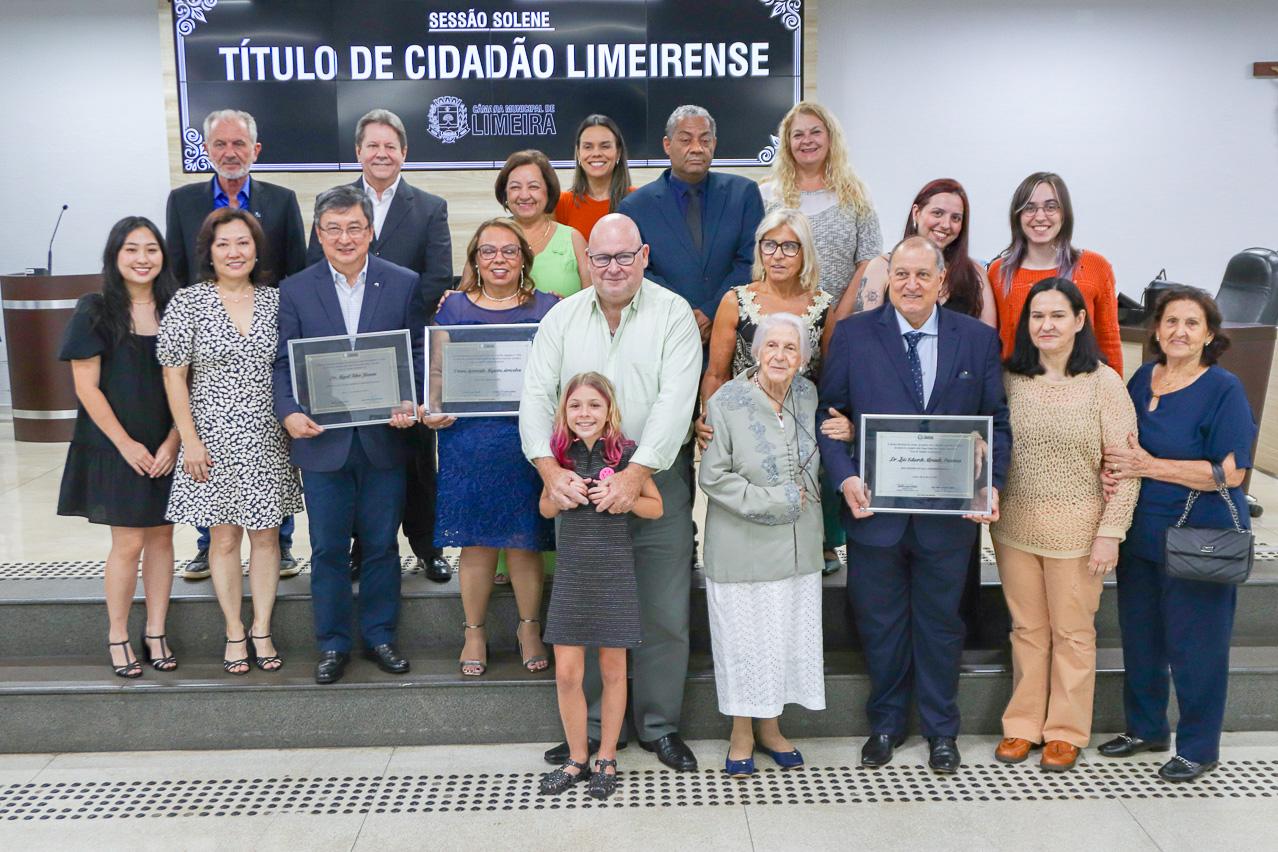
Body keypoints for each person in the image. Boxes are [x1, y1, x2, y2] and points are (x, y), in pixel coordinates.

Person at [818, 235, 1011, 774]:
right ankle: (884, 725)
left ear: (942, 282)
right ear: (889, 280)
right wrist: (846, 478)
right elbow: (830, 422)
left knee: (940, 624)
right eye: (901, 274)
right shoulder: (855, 337)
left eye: (922, 275)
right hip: (874, 514)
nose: (910, 285)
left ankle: (940, 731)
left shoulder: (975, 340)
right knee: (880, 624)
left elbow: (996, 422)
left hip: (947, 520)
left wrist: (990, 483)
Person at [521, 213, 702, 771]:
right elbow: (534, 394)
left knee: (664, 606)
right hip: (578, 484)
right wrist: (551, 472)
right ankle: (598, 733)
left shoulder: (673, 313)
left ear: (644, 255)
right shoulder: (562, 318)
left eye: (625, 256)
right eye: (602, 258)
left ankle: (659, 724)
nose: (614, 267)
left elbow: (677, 401)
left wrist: (636, 473)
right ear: (588, 261)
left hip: (655, 479)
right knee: (589, 609)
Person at [1099, 287, 1256, 783]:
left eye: (1192, 323)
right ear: (1156, 330)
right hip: (1142, 530)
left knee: (1197, 645)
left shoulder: (1223, 388)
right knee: (1141, 637)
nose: (1180, 332)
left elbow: (1230, 473)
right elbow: (1121, 442)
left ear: (1209, 334)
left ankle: (1198, 746)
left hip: (1199, 535)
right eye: (1171, 322)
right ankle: (1146, 728)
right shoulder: (1145, 376)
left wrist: (1149, 466)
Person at [272, 185, 423, 685]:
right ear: (318, 233)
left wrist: (411, 402)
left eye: (354, 227)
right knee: (329, 549)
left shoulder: (402, 283)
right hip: (322, 441)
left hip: (385, 440)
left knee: (382, 545)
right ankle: (333, 644)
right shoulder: (295, 289)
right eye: (333, 228)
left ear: (370, 231)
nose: (344, 237)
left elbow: (416, 357)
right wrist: (288, 412)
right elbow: (281, 364)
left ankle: (381, 636)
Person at [991, 278, 1139, 771]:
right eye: (1037, 316)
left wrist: (1110, 532)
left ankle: (1066, 731)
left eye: (1057, 316)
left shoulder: (1104, 383)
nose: (1046, 325)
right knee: (1027, 629)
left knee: (1074, 633)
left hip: (1079, 534)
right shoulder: (1012, 379)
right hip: (1014, 529)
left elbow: (1124, 468)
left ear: (1080, 321)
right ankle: (1023, 726)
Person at [305, 108, 454, 583]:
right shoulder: (334, 204)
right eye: (373, 145)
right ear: (358, 152)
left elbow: (435, 280)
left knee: (413, 455)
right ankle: (361, 547)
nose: (381, 153)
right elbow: (317, 276)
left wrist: (393, 326)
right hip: (345, 360)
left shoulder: (430, 207)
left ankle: (428, 546)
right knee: (354, 453)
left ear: (404, 153)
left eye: (391, 145)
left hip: (406, 349)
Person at [157, 207, 303, 676]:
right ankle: (234, 630)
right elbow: (174, 376)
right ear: (210, 251)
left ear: (256, 248)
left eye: (242, 242)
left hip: (267, 436)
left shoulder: (279, 301)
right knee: (222, 539)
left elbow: (295, 366)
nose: (234, 251)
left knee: (266, 539)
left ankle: (262, 627)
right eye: (223, 244)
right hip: (211, 440)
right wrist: (189, 441)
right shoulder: (188, 302)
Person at [166, 108, 307, 580]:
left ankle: (281, 543)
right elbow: (177, 270)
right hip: (207, 336)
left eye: (239, 144)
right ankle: (209, 544)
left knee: (271, 452)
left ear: (255, 150)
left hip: (266, 332)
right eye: (220, 144)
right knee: (212, 454)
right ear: (207, 150)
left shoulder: (282, 200)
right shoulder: (182, 201)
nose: (230, 152)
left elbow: (295, 270)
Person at [425, 219, 559, 676]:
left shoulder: (549, 307)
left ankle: (528, 627)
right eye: (488, 252)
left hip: (527, 440)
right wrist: (433, 408)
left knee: (525, 543)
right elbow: (438, 376)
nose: (498, 260)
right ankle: (474, 631)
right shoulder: (454, 308)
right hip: (468, 441)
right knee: (476, 544)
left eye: (508, 251)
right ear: (475, 260)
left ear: (524, 258)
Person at [700, 313, 825, 777]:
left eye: (790, 348)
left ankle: (771, 727)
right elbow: (712, 477)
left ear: (803, 358)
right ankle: (741, 731)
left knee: (784, 640)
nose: (780, 356)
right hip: (743, 547)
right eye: (771, 346)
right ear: (755, 352)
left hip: (798, 547)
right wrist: (775, 500)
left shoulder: (808, 395)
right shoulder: (726, 400)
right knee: (744, 643)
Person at [57, 216, 181, 678]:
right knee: (128, 541)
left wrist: (174, 440)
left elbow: (192, 383)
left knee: (163, 537)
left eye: (151, 249)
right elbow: (87, 388)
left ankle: (155, 630)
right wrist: (127, 445)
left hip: (166, 442)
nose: (143, 258)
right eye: (132, 249)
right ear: (115, 256)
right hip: (115, 443)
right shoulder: (94, 309)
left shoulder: (177, 307)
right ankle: (117, 634)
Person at [696, 209, 850, 574]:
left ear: (805, 253)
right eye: (770, 245)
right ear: (759, 251)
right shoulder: (736, 300)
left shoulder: (824, 306)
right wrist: (706, 417)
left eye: (789, 246)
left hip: (801, 422)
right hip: (745, 424)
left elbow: (829, 377)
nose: (778, 255)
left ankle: (817, 549)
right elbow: (716, 373)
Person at [538, 373, 663, 801]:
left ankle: (607, 756)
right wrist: (561, 493)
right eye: (576, 406)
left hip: (613, 574)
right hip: (573, 575)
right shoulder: (557, 457)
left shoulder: (628, 454)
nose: (585, 413)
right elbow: (544, 506)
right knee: (569, 673)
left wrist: (622, 494)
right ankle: (577, 756)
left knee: (613, 671)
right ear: (564, 412)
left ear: (609, 409)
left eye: (594, 405)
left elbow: (655, 507)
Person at [618, 105, 764, 345]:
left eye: (705, 140)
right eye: (686, 139)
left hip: (734, 336)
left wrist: (712, 310)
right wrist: (684, 314)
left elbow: (751, 260)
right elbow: (639, 270)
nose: (697, 148)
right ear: (667, 145)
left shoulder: (744, 194)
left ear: (714, 144)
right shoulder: (635, 207)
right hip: (664, 335)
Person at [988, 172, 1122, 371]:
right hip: (1017, 391)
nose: (1040, 216)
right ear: (1017, 215)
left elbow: (1109, 341)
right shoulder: (999, 272)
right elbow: (993, 346)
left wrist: (1114, 394)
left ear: (1064, 214)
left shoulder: (1096, 267)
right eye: (1029, 208)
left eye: (1051, 207)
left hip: (1082, 391)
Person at [760, 101, 882, 309]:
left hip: (842, 322)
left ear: (830, 138)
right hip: (780, 325)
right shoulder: (766, 195)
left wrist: (839, 319)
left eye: (815, 132)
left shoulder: (856, 195)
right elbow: (757, 264)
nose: (807, 141)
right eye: (798, 135)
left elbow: (868, 262)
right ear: (788, 143)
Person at [847, 178, 996, 326]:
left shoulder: (975, 274)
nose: (946, 224)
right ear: (916, 213)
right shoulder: (880, 267)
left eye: (955, 218)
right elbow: (864, 334)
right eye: (937, 213)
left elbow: (987, 341)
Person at [473, 149, 589, 297]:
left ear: (548, 191)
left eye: (533, 187)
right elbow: (466, 297)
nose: (524, 195)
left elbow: (592, 303)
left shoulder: (574, 239)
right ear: (505, 193)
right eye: (515, 187)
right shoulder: (488, 236)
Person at [554, 114, 634, 240]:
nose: (596, 153)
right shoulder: (561, 204)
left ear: (618, 152)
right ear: (578, 153)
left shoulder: (638, 200)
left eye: (605, 146)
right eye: (588, 147)